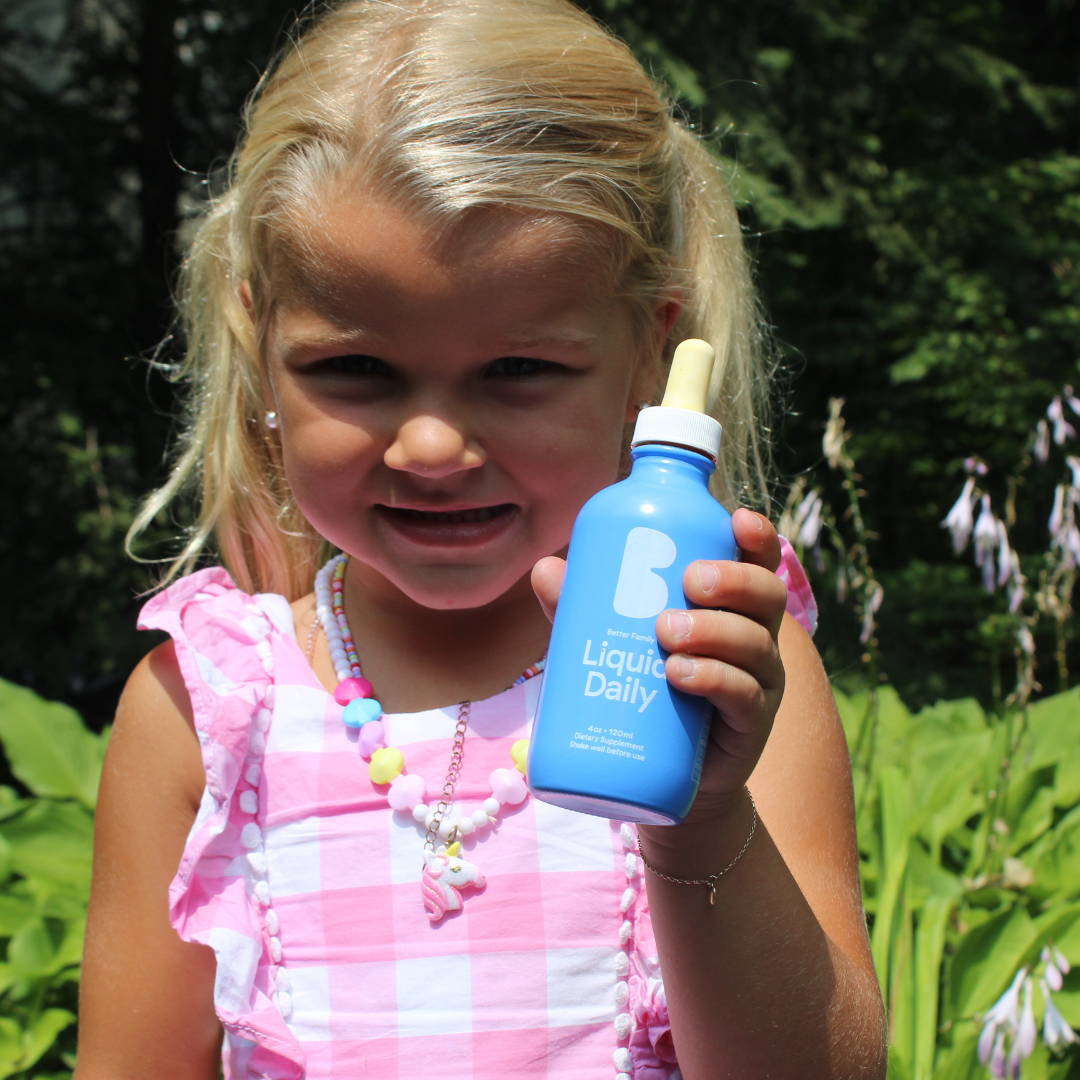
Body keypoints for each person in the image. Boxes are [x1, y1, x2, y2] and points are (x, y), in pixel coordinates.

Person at [76, 0, 886, 1076]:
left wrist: (700, 816)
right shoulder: (210, 714)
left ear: (649, 356)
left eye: (517, 371)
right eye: (354, 370)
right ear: (260, 346)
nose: (431, 444)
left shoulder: (710, 662)